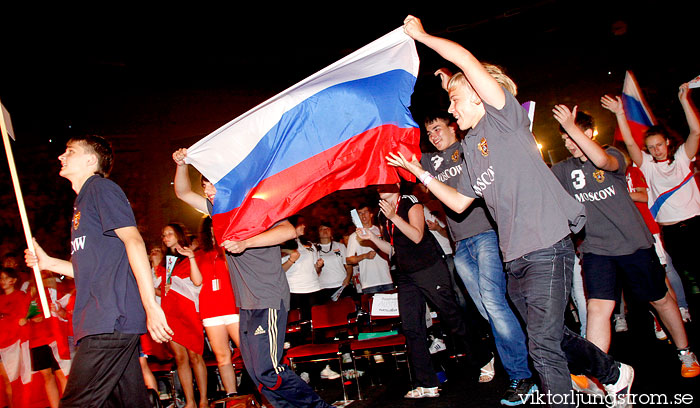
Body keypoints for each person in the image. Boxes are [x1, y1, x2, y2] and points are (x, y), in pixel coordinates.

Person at [388, 16, 633, 407]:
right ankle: (613, 373)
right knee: (550, 335)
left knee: (542, 346)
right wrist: (419, 172)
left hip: (548, 243)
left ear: (478, 94)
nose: (451, 110)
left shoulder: (504, 117)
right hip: (513, 255)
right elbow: (459, 202)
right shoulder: (470, 147)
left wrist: (421, 37)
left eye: (455, 100)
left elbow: (469, 63)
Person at [172, 148, 332, 408]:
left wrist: (247, 242)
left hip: (267, 297)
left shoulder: (254, 205)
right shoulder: (218, 212)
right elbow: (182, 193)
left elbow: (287, 230)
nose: (208, 193)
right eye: (205, 188)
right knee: (257, 374)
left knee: (268, 369)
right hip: (246, 304)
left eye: (212, 186)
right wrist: (181, 165)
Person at [552, 106, 699, 378]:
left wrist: (571, 127)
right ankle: (598, 373)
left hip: (633, 243)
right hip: (596, 248)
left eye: (573, 136)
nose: (569, 144)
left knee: (661, 300)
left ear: (589, 133)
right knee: (598, 307)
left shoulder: (612, 154)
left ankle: (685, 351)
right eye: (564, 140)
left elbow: (603, 163)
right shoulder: (563, 170)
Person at [25, 134, 172, 407]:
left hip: (109, 319)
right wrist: (48, 263)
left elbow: (133, 240)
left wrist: (151, 305)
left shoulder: (100, 189)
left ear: (91, 160)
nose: (61, 156)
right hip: (102, 319)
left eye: (69, 151)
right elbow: (89, 270)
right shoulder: (82, 204)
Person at [420, 111, 533, 399]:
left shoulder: (467, 148)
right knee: (487, 311)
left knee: (494, 304)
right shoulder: (431, 161)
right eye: (429, 133)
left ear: (452, 127)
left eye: (437, 128)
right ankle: (524, 357)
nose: (434, 136)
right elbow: (401, 155)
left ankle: (521, 375)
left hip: (486, 234)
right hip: (460, 247)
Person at [357, 184, 493, 399]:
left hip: (429, 268)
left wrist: (394, 217)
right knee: (411, 327)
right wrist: (372, 239)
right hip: (405, 274)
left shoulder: (410, 202)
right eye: (377, 185)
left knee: (451, 317)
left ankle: (485, 358)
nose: (379, 188)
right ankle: (427, 383)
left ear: (397, 185)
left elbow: (417, 236)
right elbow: (392, 250)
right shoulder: (384, 214)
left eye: (384, 183)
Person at [602, 87, 699, 309]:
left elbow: (695, 132)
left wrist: (685, 99)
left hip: (695, 224)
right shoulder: (647, 167)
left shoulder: (682, 158)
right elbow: (629, 144)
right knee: (686, 278)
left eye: (659, 145)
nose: (656, 150)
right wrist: (619, 113)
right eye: (651, 147)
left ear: (667, 142)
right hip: (672, 232)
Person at [157, 223, 208, 408]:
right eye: (164, 234)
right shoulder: (163, 263)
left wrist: (192, 258)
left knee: (195, 356)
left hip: (188, 311)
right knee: (180, 358)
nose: (166, 237)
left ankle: (203, 400)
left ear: (179, 235)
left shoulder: (189, 256)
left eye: (170, 233)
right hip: (170, 312)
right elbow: (159, 291)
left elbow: (198, 281)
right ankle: (190, 402)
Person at [195, 216, 241, 397]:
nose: (215, 229)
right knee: (222, 357)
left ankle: (263, 392)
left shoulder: (232, 248)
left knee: (248, 353)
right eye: (212, 227)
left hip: (232, 307)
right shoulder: (199, 254)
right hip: (211, 310)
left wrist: (225, 244)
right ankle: (232, 396)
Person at [345, 203, 394, 294]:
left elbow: (391, 250)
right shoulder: (354, 236)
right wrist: (364, 256)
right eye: (360, 213)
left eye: (365, 212)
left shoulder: (381, 231)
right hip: (369, 284)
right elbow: (348, 260)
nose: (363, 215)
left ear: (371, 214)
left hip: (387, 280)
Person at [281, 216, 323, 321]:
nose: (304, 226)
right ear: (292, 226)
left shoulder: (309, 245)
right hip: (295, 291)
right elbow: (279, 271)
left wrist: (318, 266)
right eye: (301, 224)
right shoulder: (283, 246)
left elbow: (316, 271)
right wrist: (291, 260)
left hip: (314, 289)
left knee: (317, 323)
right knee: (299, 325)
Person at [0, 267, 29, 408]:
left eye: (6, 278)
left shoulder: (20, 296)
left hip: (13, 344)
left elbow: (24, 318)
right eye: (1, 279)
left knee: (13, 380)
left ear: (14, 280)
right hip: (1, 344)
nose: (3, 281)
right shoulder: (0, 299)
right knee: (6, 380)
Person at [315, 221, 353, 303]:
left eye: (327, 229)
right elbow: (315, 270)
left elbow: (348, 266)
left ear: (331, 232)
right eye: (322, 229)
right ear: (318, 233)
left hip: (341, 285)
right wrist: (318, 266)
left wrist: (348, 278)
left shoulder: (340, 246)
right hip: (323, 287)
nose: (325, 231)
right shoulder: (314, 249)